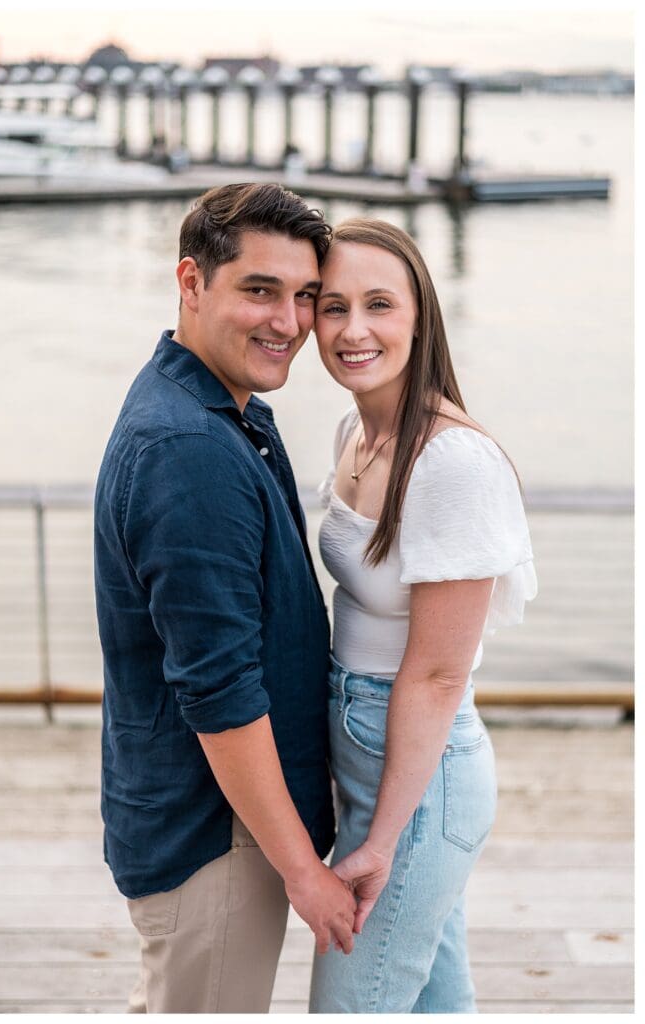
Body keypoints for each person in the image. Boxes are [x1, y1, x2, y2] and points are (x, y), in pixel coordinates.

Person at [93, 182, 356, 1015]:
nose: (289, 321)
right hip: (220, 838)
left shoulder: (221, 410)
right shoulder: (188, 448)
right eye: (260, 290)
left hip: (215, 821)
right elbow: (220, 692)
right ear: (191, 282)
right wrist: (303, 871)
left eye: (305, 296)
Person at [309, 218, 537, 1013]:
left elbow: (438, 674)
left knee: (351, 1005)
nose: (353, 329)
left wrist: (380, 840)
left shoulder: (450, 462)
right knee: (438, 1004)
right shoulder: (353, 431)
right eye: (332, 306)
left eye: (379, 304)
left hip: (420, 779)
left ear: (420, 317)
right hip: (365, 754)